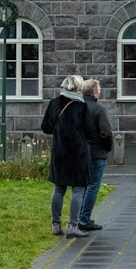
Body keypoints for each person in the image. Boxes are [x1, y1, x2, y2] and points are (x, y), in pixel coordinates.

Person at [41, 75, 94, 238]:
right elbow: (90, 131)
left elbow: (46, 127)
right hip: (78, 153)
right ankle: (72, 226)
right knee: (78, 189)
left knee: (59, 188)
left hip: (59, 152)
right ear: (78, 88)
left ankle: (56, 224)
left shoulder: (54, 104)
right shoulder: (81, 106)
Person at [78, 78, 113, 231]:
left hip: (80, 151)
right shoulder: (98, 109)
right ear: (94, 92)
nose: (100, 91)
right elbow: (106, 132)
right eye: (99, 89)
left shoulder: (77, 108)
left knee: (81, 186)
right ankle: (84, 219)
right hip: (97, 152)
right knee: (93, 186)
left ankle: (77, 217)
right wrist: (107, 147)